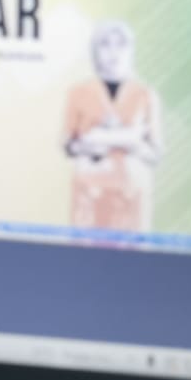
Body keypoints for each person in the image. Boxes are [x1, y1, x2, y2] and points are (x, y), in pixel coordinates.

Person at [62, 20, 163, 232]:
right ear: (94, 51)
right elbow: (68, 144)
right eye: (105, 44)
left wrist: (133, 145)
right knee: (84, 248)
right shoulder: (77, 93)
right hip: (90, 192)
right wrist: (92, 143)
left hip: (131, 193)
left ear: (131, 51)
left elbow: (155, 153)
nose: (113, 52)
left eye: (120, 45)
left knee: (131, 250)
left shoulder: (145, 95)